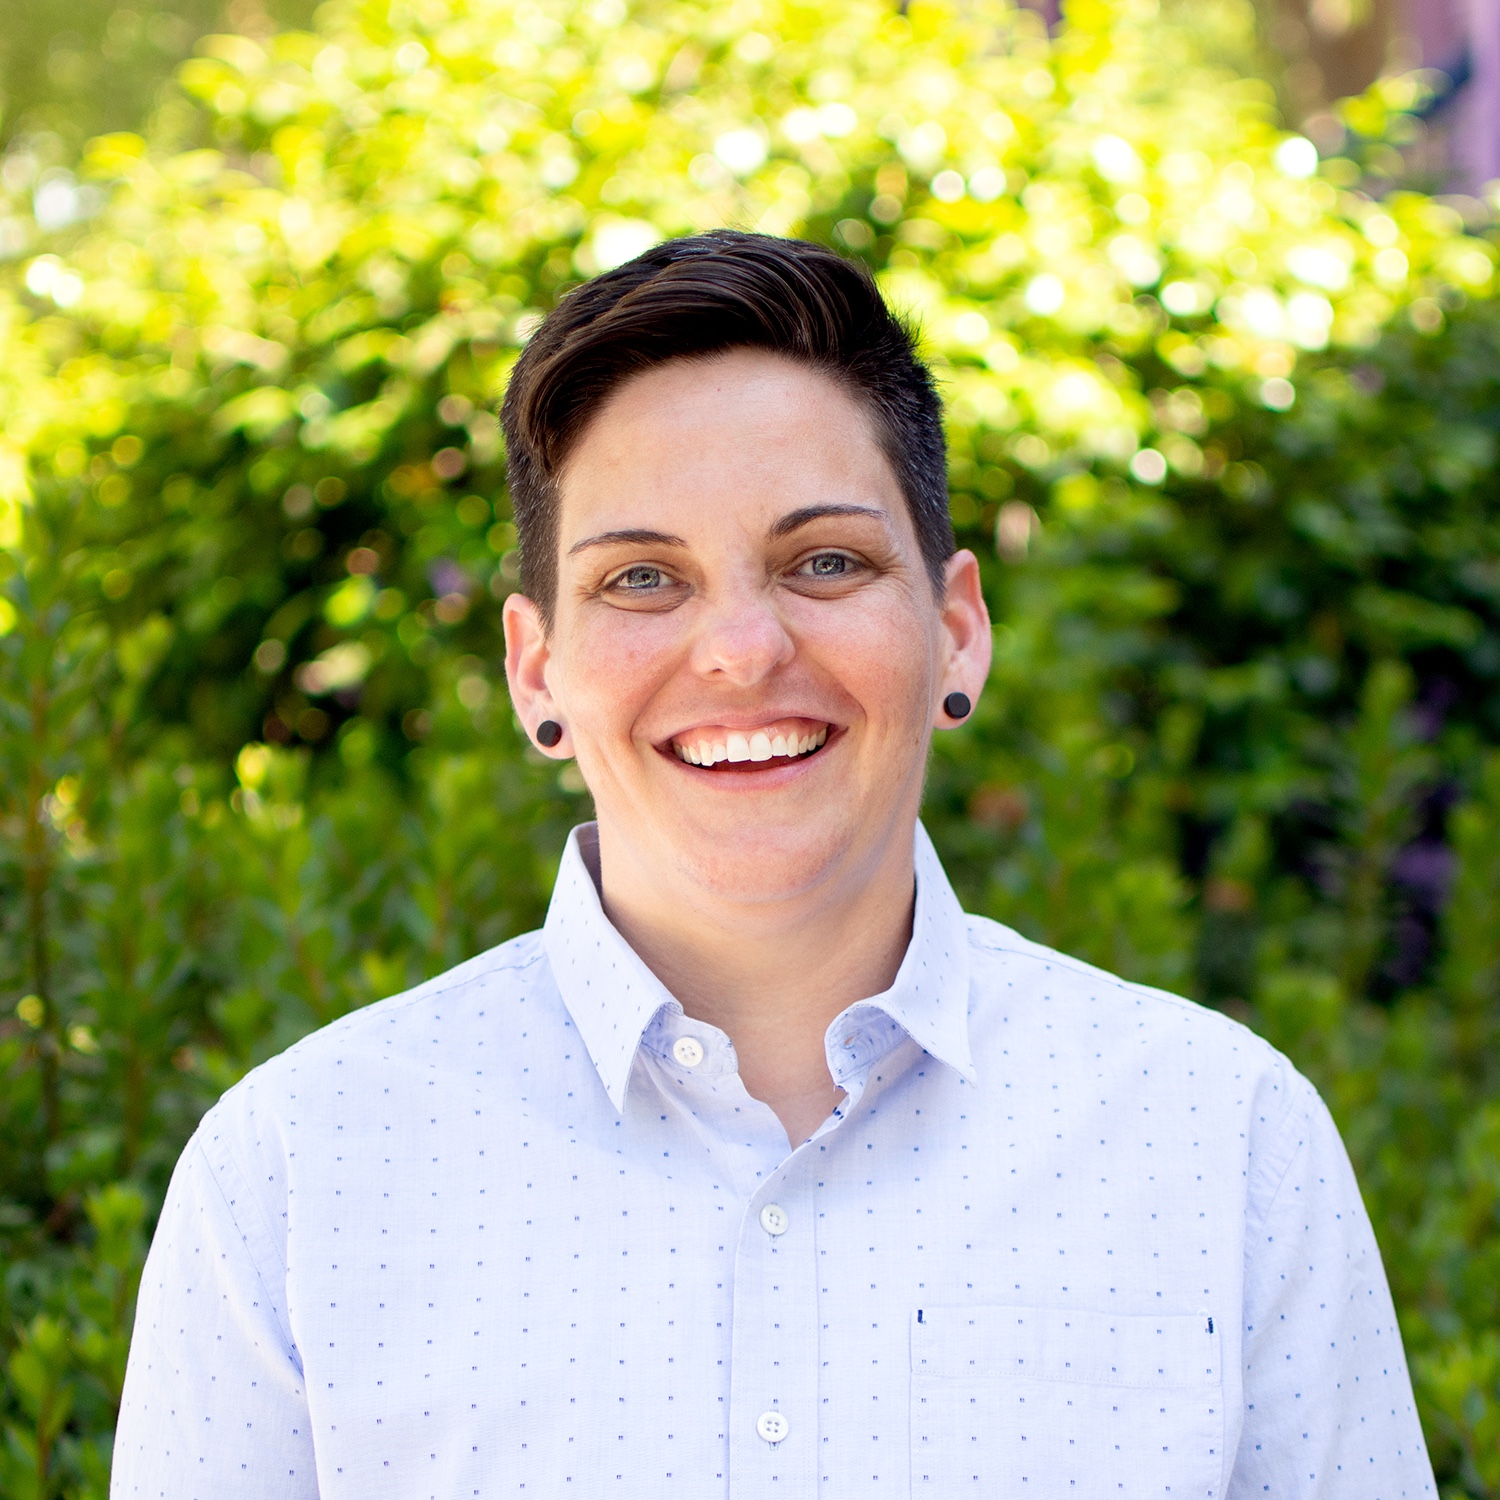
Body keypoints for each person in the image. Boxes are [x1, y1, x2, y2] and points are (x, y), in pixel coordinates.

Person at [112, 231, 1434, 1498]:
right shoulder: (298, 1177)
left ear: (958, 629)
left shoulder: (1223, 1142)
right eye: (641, 579)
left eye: (826, 560)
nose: (742, 648)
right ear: (535, 671)